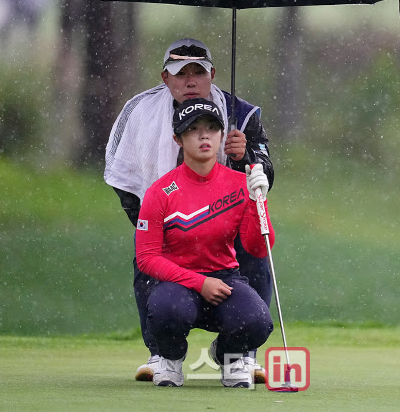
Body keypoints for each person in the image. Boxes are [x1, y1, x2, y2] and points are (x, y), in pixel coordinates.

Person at [104, 38, 274, 382]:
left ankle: (240, 355)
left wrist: (246, 157)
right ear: (165, 79)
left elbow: (265, 176)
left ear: (212, 74)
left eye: (198, 72)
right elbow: (121, 174)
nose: (190, 81)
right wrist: (150, 224)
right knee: (148, 260)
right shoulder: (139, 110)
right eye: (180, 74)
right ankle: (161, 353)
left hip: (229, 221)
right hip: (167, 218)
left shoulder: (242, 114)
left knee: (255, 256)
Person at [135, 99, 274, 387]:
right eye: (193, 129)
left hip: (224, 280)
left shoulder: (240, 183)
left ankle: (229, 357)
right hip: (178, 283)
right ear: (178, 139)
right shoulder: (160, 191)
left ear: (222, 136)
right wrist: (199, 283)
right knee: (166, 309)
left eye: (212, 128)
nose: (203, 136)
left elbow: (259, 248)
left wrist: (258, 201)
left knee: (258, 321)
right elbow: (147, 258)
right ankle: (170, 359)